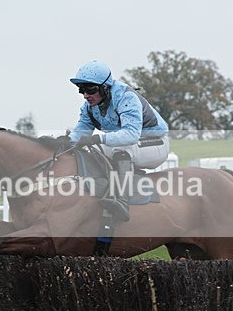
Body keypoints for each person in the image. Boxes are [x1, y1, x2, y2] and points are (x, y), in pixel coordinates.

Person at [68, 60, 169, 222]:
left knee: (120, 148)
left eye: (90, 89)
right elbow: (81, 131)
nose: (86, 95)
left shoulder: (126, 98)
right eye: (82, 90)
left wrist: (98, 138)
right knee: (94, 150)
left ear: (105, 88)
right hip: (131, 144)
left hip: (156, 143)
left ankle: (121, 200)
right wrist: (64, 142)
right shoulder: (89, 107)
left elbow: (130, 135)